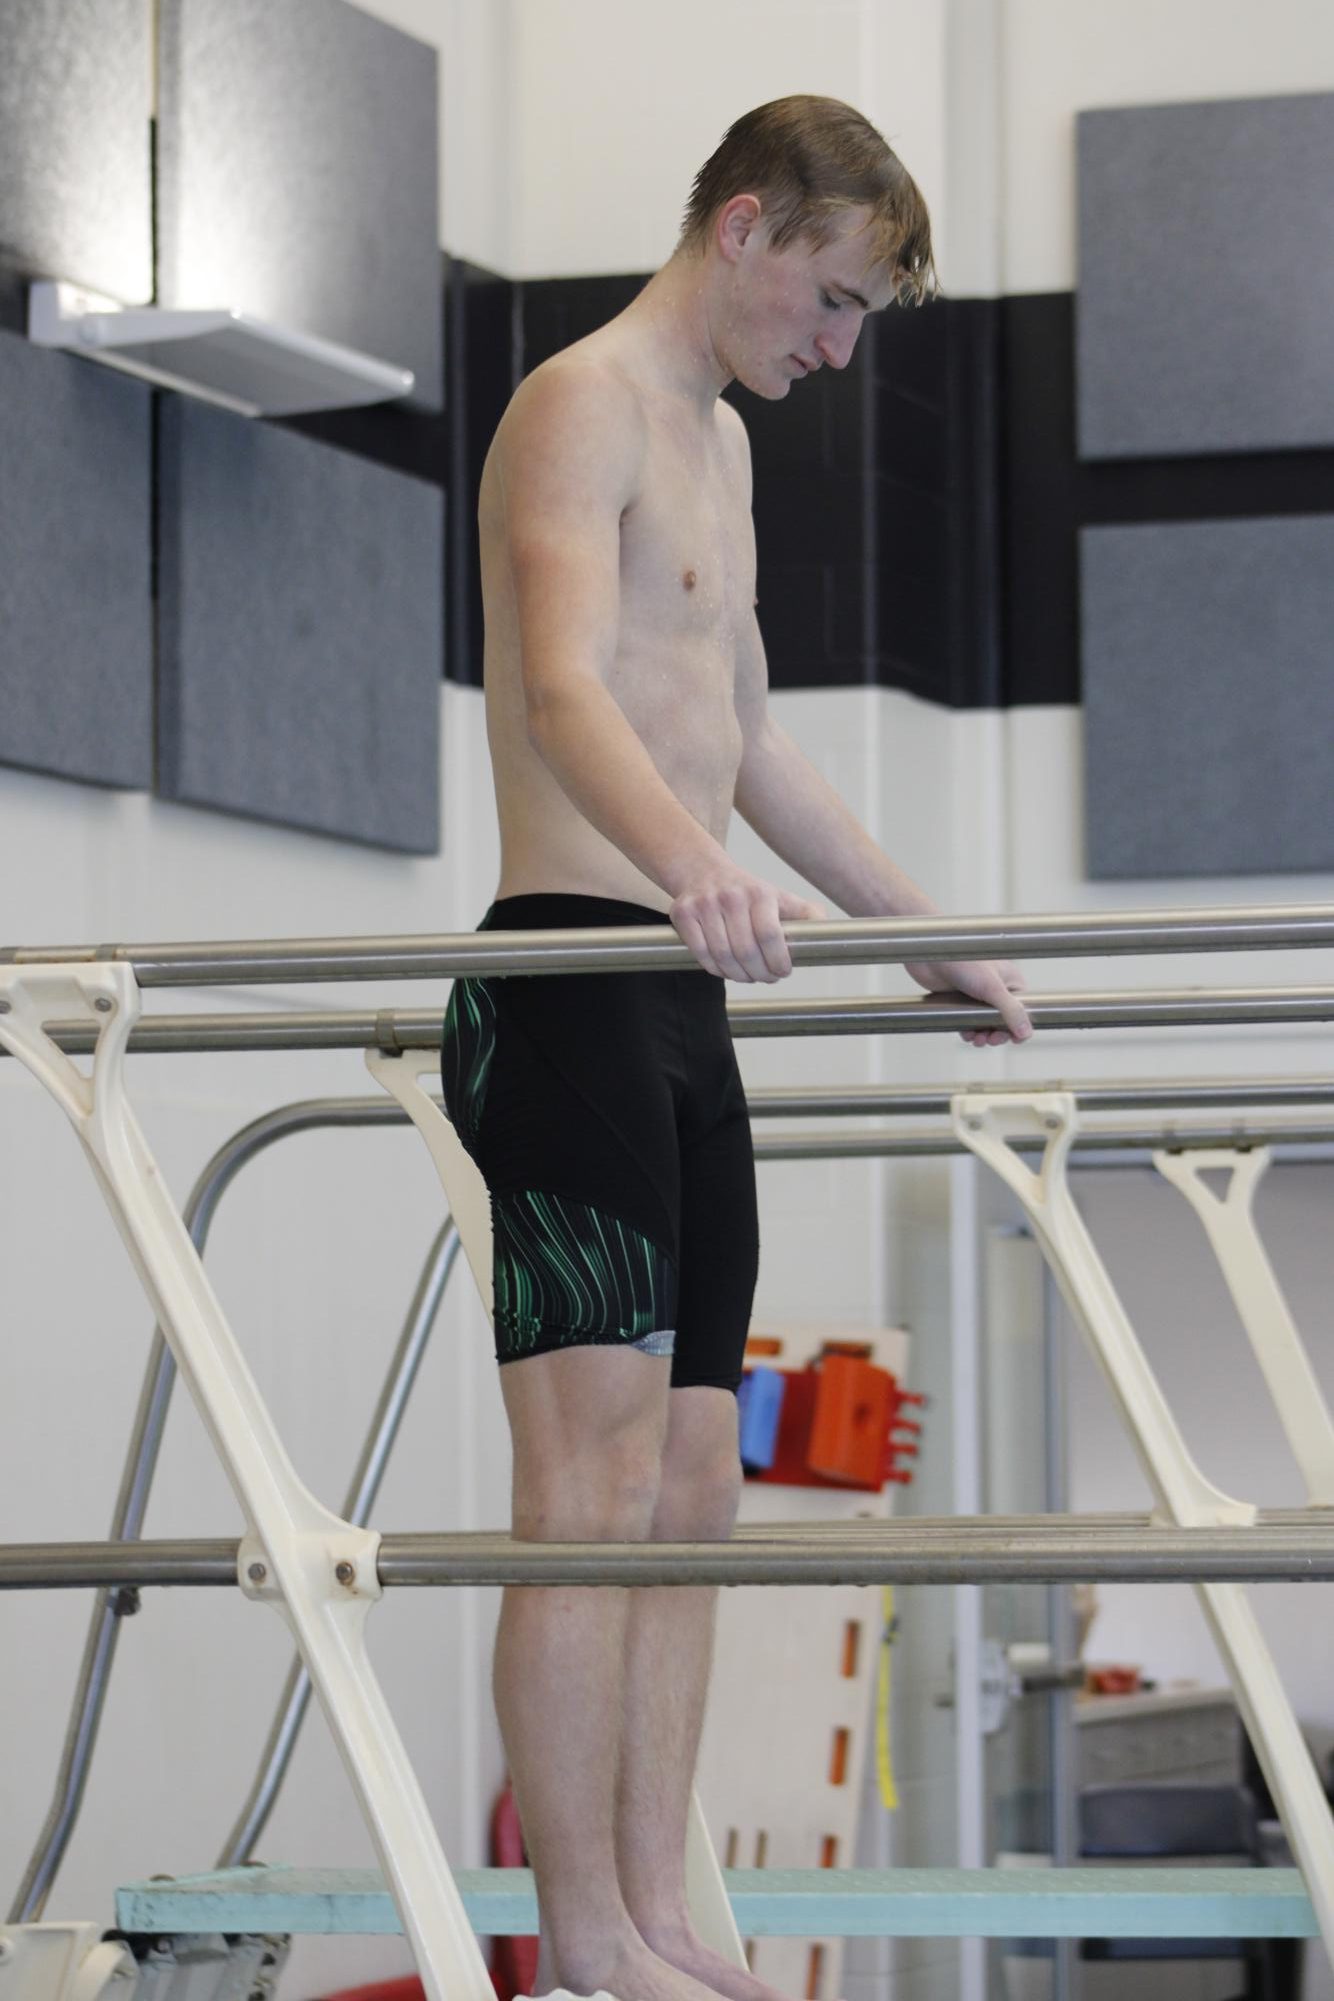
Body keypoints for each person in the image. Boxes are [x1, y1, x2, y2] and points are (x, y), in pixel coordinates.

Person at [442, 95, 1033, 2001]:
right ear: (747, 226)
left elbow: (751, 738)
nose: (840, 348)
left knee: (698, 1487)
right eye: (836, 301)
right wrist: (688, 868)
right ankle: (582, 1933)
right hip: (568, 982)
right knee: (587, 1495)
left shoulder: (720, 452)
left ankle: (655, 1909)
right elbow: (558, 678)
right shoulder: (580, 401)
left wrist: (924, 937)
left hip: (682, 1003)